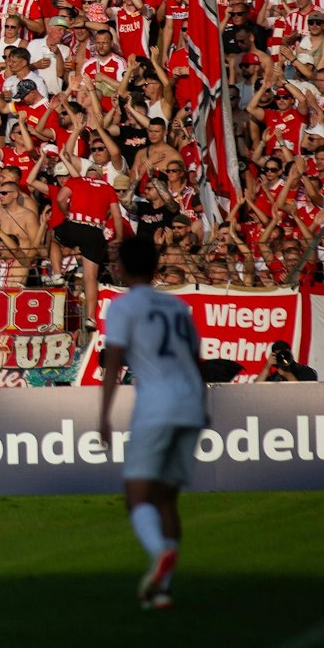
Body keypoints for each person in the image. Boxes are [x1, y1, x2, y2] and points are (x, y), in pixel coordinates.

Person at [97, 234, 206, 611]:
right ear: (157, 266)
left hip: (157, 404)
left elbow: (113, 363)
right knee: (166, 500)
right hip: (191, 402)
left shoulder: (123, 307)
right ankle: (162, 590)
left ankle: (160, 554)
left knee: (137, 496)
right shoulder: (177, 307)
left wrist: (103, 415)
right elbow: (195, 359)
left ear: (122, 268)